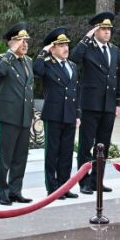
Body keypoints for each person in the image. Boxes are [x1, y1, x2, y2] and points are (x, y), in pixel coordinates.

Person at [70, 12, 120, 194]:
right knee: (86, 145)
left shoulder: (114, 50)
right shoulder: (88, 48)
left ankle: (97, 180)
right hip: (90, 104)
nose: (107, 32)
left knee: (103, 145)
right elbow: (74, 58)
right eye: (103, 29)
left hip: (108, 104)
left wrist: (118, 101)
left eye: (109, 29)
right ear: (96, 30)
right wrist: (86, 38)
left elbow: (116, 76)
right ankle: (83, 181)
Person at [33, 27, 80, 200]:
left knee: (67, 153)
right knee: (52, 153)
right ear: (53, 49)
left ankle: (64, 186)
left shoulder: (72, 66)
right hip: (53, 114)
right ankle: (52, 188)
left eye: (66, 44)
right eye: (60, 45)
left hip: (69, 114)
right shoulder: (46, 64)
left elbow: (76, 91)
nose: (65, 48)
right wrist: (44, 50)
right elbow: (36, 69)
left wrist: (78, 114)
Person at [0, 23, 35, 206]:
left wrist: (32, 112)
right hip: (9, 115)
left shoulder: (28, 61)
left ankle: (15, 190)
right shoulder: (1, 58)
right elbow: (0, 71)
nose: (24, 44)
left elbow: (28, 89)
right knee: (5, 158)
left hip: (24, 115)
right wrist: (12, 52)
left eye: (26, 40)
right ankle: (2, 192)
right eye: (20, 40)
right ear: (11, 42)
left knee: (20, 157)